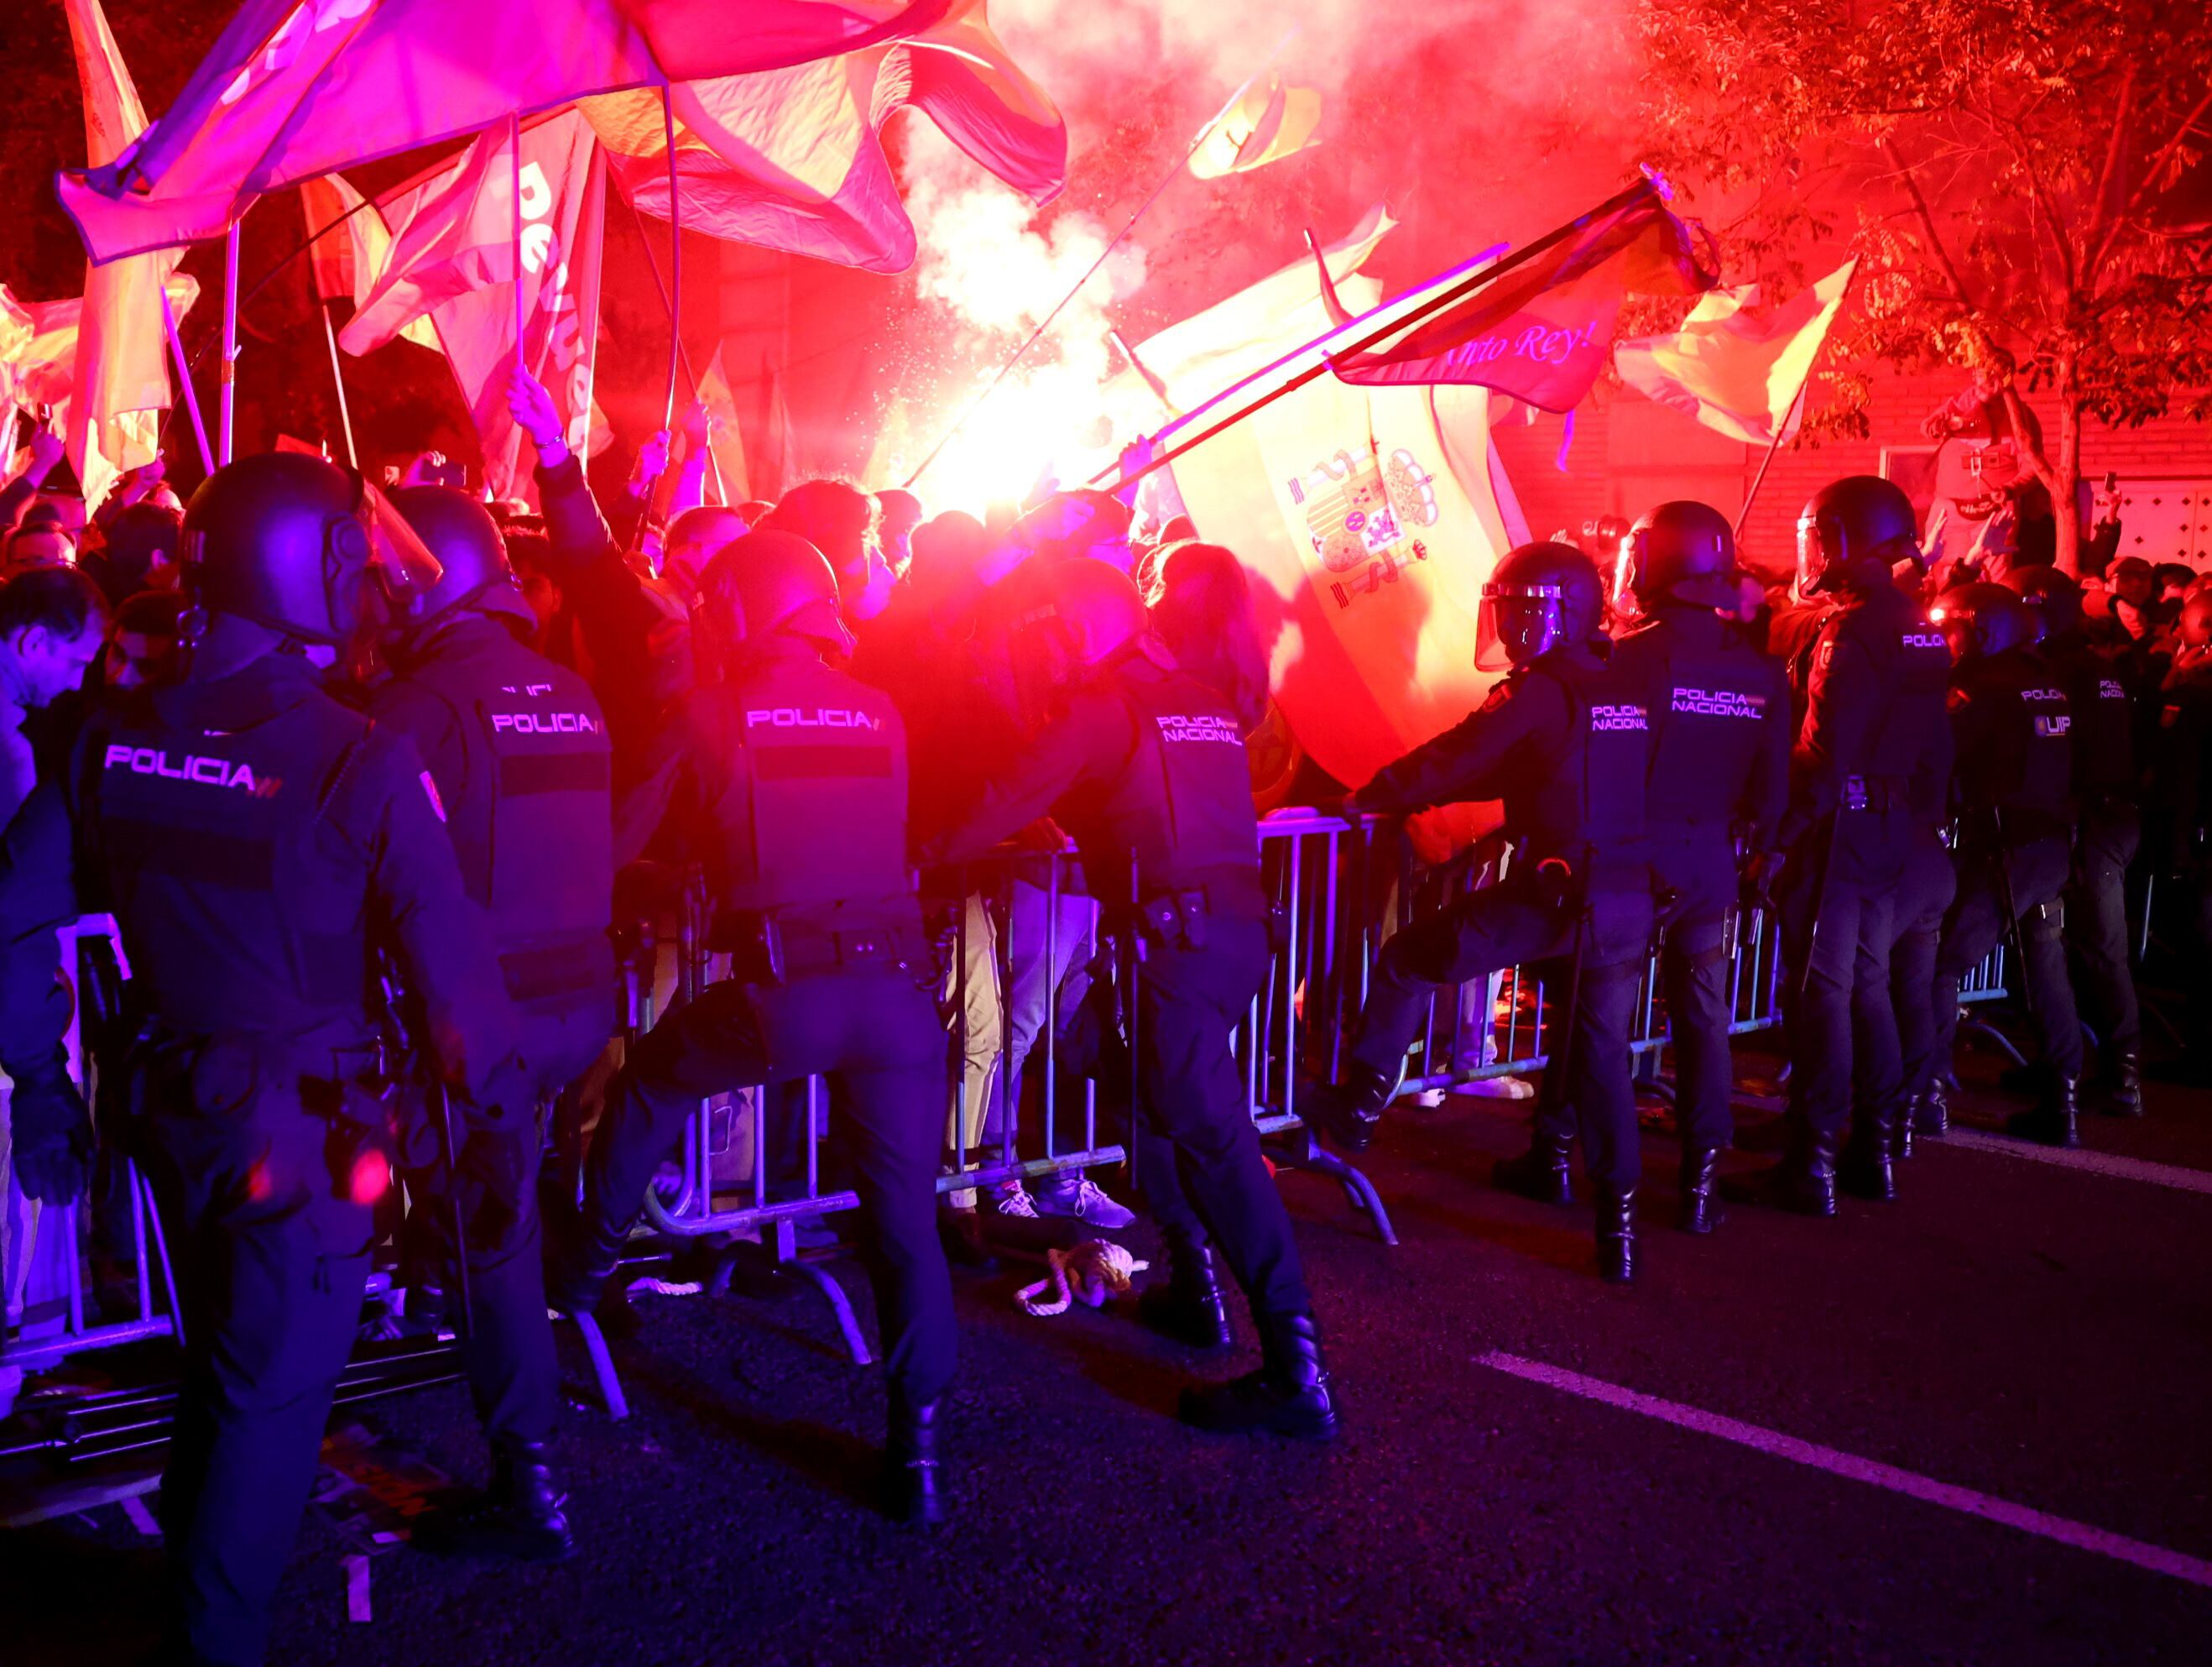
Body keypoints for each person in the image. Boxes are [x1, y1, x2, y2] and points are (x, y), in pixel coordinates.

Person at [0, 452, 523, 1667]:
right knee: (270, 1395)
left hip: (170, 1107)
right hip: (306, 1132)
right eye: (353, 554)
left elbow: (13, 912)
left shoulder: (102, 735)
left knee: (226, 1364)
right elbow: (458, 982)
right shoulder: (363, 757)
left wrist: (40, 1079)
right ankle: (211, 1632)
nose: (371, 581)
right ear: (310, 568)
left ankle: (193, 1571)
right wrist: (496, 1125)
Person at [550, 530, 957, 1521]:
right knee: (904, 1229)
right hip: (900, 995)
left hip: (786, 995)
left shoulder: (713, 711)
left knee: (650, 1079)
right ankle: (919, 1459)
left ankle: (583, 1273)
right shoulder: (880, 710)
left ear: (739, 611)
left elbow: (615, 841)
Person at [926, 559, 1338, 1434]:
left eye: (1051, 625)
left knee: (1217, 1152)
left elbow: (1001, 801)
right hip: (1225, 938)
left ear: (1077, 628)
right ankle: (1196, 1295)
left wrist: (904, 851)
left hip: (1176, 949)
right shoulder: (1196, 696)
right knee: (1148, 1117)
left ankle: (1296, 1373)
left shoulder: (1102, 705)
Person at [362, 485, 618, 1561]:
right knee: (499, 1218)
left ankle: (534, 1493)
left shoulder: (418, 708)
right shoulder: (568, 688)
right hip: (576, 1007)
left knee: (493, 1247)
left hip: (483, 1023)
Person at [1312, 542, 1656, 1283]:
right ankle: (1618, 1233)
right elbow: (1537, 766)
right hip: (1629, 896)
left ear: (1549, 615)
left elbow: (1463, 754)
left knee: (1409, 960)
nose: (1504, 622)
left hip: (1559, 893)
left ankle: (1358, 1115)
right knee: (1600, 1063)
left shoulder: (1539, 689)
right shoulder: (1627, 677)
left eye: (1515, 608)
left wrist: (1377, 794)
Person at [1735, 478, 1953, 1215]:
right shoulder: (1920, 626)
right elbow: (1935, 750)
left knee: (1821, 997)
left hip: (1839, 834)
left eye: (1816, 535)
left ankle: (1813, 1163)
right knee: (1866, 987)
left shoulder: (1851, 630)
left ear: (1842, 537)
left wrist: (1776, 842)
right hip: (1890, 829)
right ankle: (1876, 1151)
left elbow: (1822, 755)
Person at [1608, 503, 1790, 1232]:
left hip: (1629, 858)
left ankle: (1565, 1156)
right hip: (1713, 861)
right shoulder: (1762, 672)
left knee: (1603, 1016)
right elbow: (1771, 790)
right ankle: (1701, 1181)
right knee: (1703, 1019)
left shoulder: (1629, 659)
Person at [1923, 583, 2084, 1144]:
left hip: (2004, 851)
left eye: (1953, 628)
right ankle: (2063, 1104)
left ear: (1984, 628)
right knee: (2046, 969)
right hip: (2050, 849)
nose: (1946, 641)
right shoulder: (2046, 685)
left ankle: (1929, 1093)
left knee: (1941, 966)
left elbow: (1937, 752)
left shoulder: (1980, 688)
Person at [2006, 565, 2142, 1116]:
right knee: (2058, 945)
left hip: (2089, 823)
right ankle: (2063, 1064)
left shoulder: (2061, 671)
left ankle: (2122, 1079)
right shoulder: (2095, 667)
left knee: (2099, 949)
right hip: (2103, 819)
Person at [0, 566, 108, 823]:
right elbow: (18, 859)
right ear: (35, 642)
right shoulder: (9, 753)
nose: (76, 683)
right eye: (77, 664)